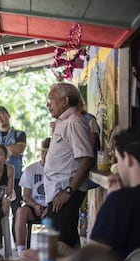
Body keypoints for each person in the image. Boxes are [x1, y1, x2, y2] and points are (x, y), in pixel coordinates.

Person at [44, 83, 94, 248]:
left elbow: (87, 158)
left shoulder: (74, 121)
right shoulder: (62, 122)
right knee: (62, 244)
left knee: (62, 246)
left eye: (51, 99)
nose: (47, 104)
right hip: (57, 192)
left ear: (65, 101)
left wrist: (68, 192)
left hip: (65, 192)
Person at [89, 125, 140, 260]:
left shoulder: (119, 202)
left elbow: (90, 260)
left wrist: (111, 200)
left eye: (118, 160)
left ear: (128, 158)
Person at [0, 106, 26, 242]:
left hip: (16, 179)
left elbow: (20, 148)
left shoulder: (19, 134)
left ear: (8, 115)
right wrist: (10, 149)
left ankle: (17, 243)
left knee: (16, 211)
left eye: (1, 115)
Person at [15, 137, 50, 257]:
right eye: (43, 152)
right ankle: (21, 252)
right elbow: (26, 196)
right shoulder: (31, 169)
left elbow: (60, 194)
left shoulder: (58, 170)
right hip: (34, 206)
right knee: (20, 212)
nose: (45, 155)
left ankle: (54, 252)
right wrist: (35, 205)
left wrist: (49, 208)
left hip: (52, 207)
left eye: (48, 152)